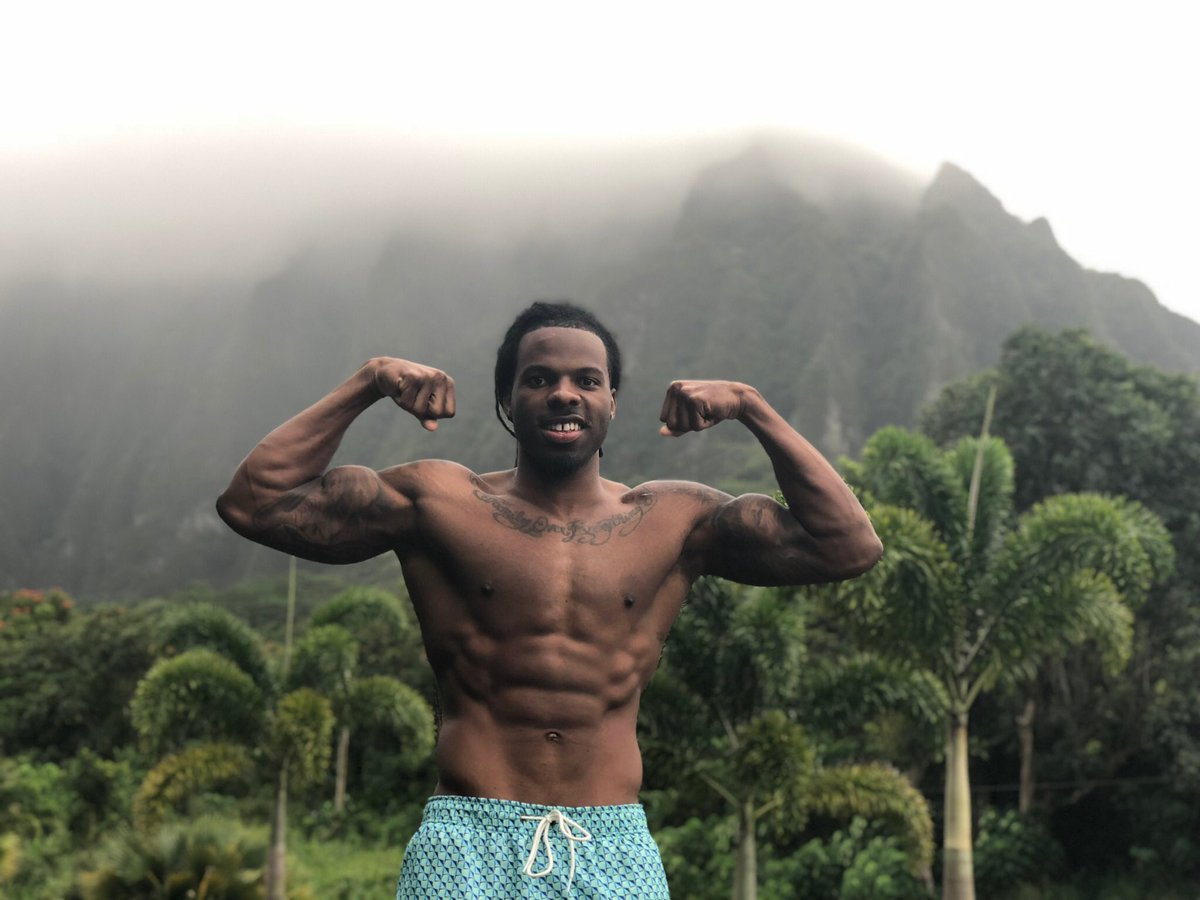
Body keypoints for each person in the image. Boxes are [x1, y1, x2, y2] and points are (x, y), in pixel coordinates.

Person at [216, 301, 882, 898]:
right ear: (509, 398)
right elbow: (255, 503)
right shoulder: (440, 503)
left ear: (613, 400)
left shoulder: (673, 520)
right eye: (539, 379)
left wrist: (750, 405)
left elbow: (847, 546)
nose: (564, 394)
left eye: (586, 380)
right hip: (465, 841)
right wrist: (369, 380)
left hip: (612, 845)